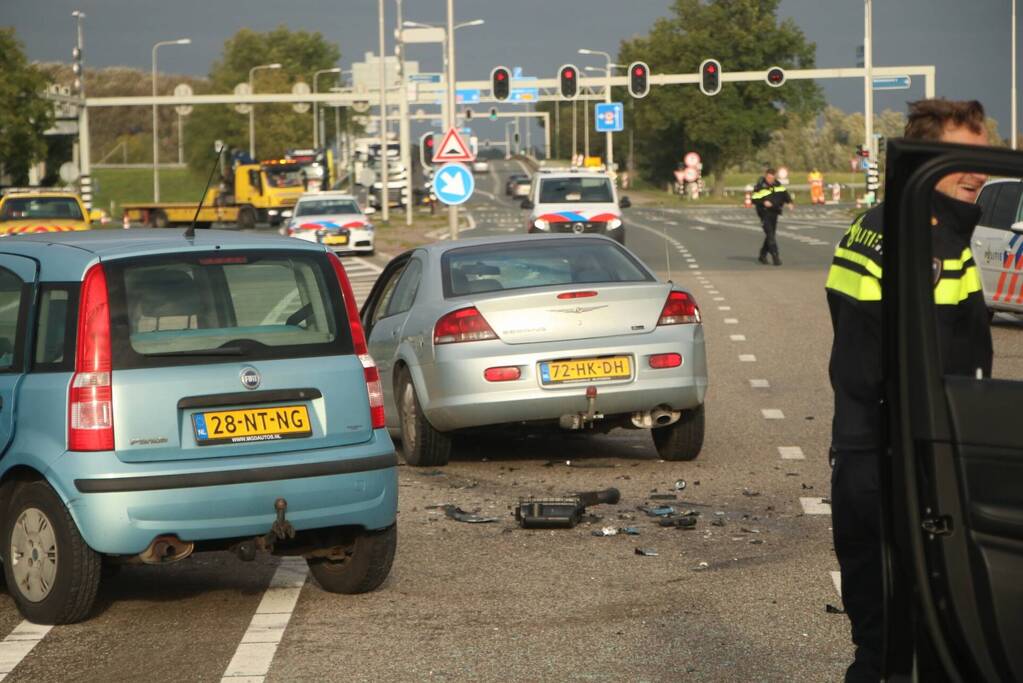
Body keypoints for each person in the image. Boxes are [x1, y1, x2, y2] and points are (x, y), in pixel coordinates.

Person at [825, 99, 993, 682]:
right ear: (922, 159)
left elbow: (966, 350)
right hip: (890, 458)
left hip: (918, 452)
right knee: (895, 642)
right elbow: (865, 366)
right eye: (960, 159)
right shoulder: (902, 238)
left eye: (985, 158)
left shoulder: (938, 234)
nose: (978, 173)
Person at [751, 168, 793, 265]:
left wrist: (789, 202)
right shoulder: (760, 186)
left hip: (775, 212)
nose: (770, 179)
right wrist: (763, 202)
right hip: (764, 212)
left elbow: (785, 195)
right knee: (770, 234)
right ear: (766, 176)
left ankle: (762, 254)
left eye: (772, 177)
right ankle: (775, 256)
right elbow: (754, 199)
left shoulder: (778, 185)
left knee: (771, 235)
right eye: (769, 177)